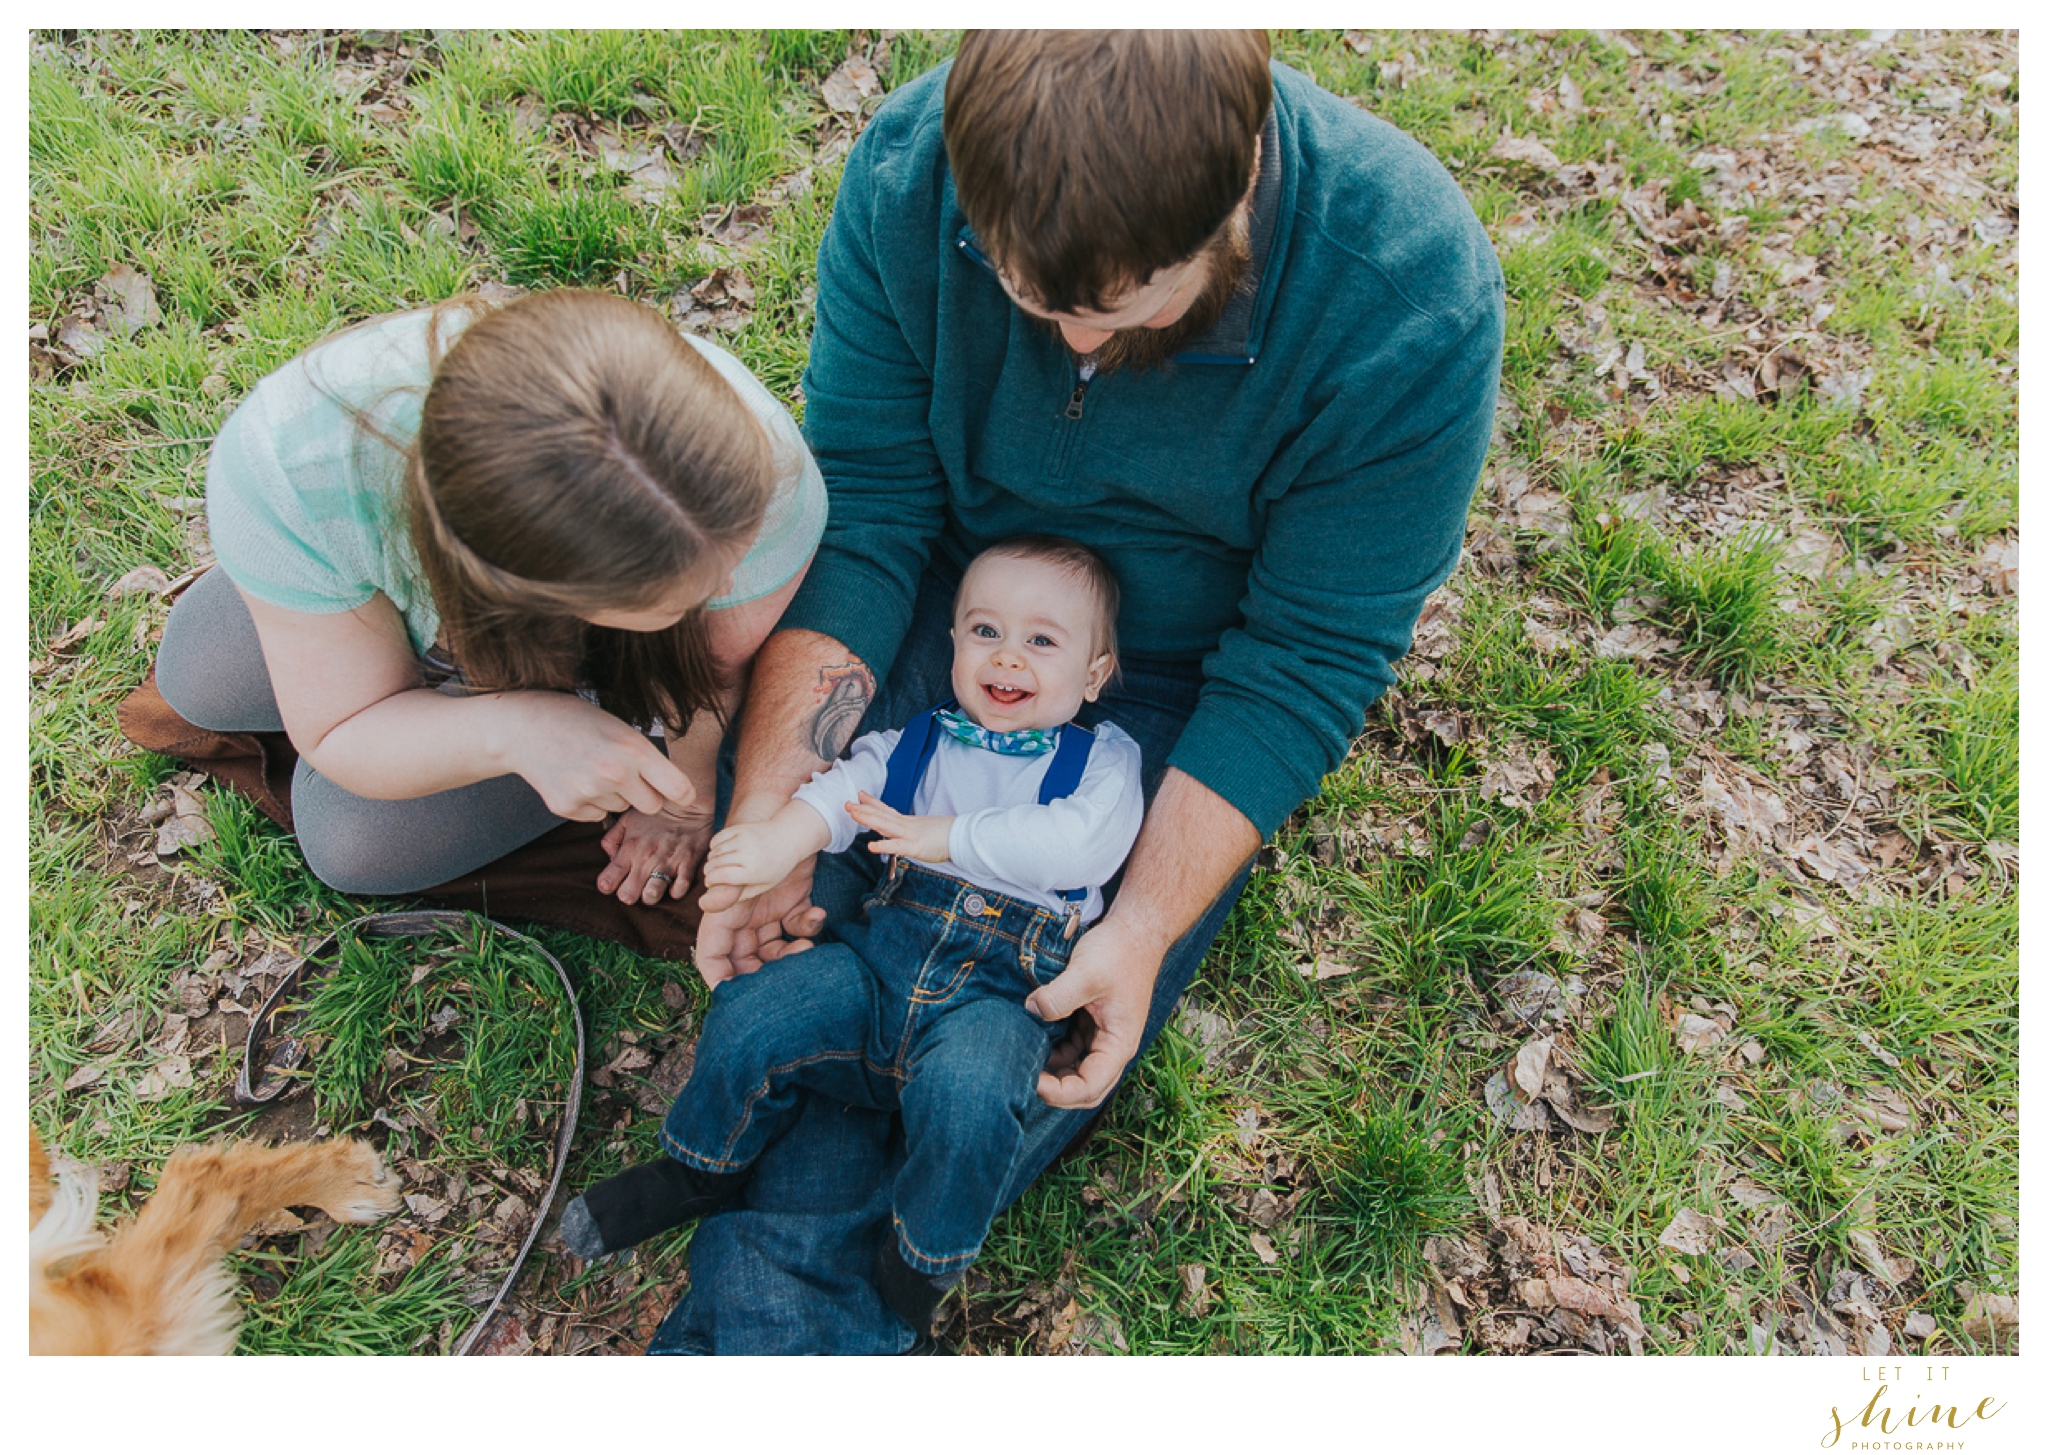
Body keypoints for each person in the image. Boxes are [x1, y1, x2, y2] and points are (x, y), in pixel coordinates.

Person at [658, 28, 1505, 1354]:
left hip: (1179, 675)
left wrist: (1148, 920)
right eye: (1020, 286)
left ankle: (779, 1331)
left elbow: (1303, 660)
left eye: (1118, 303)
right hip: (949, 596)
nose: (1065, 334)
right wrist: (767, 802)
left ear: (1233, 199)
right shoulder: (910, 169)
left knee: (1003, 1035)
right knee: (797, 938)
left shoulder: (1407, 298)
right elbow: (871, 507)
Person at [563, 537, 1141, 1335]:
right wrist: (777, 840)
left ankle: (920, 1260)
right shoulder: (923, 739)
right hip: (875, 973)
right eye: (985, 630)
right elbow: (844, 789)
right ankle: (699, 1163)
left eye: (1042, 640)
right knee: (755, 1010)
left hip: (996, 999)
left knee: (975, 1102)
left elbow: (1082, 845)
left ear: (1095, 674)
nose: (1008, 657)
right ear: (953, 643)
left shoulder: (1099, 760)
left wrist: (943, 838)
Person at [151, 289, 825, 903]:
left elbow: (714, 668)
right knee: (197, 677)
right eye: (685, 590)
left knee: (351, 839)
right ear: (524, 590)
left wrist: (677, 795)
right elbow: (340, 726)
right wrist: (516, 733)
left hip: (591, 658)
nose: (728, 588)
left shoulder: (760, 465)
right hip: (409, 568)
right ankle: (423, 654)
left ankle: (552, 692)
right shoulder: (286, 466)